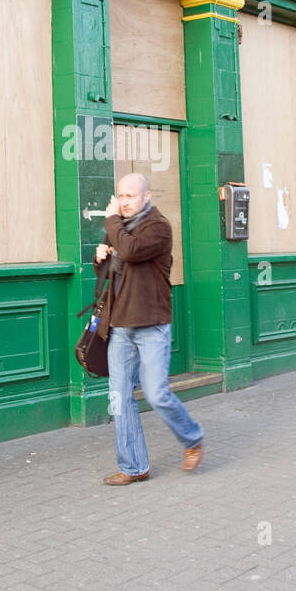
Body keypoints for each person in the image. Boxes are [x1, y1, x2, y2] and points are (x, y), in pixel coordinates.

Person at [94, 173, 204, 486]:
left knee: (156, 394)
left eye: (130, 196)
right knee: (119, 398)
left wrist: (111, 223)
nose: (124, 202)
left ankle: (192, 437)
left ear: (147, 196)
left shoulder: (158, 227)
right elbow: (112, 268)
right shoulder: (118, 228)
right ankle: (133, 466)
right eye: (120, 196)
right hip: (120, 326)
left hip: (152, 324)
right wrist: (100, 256)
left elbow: (130, 252)